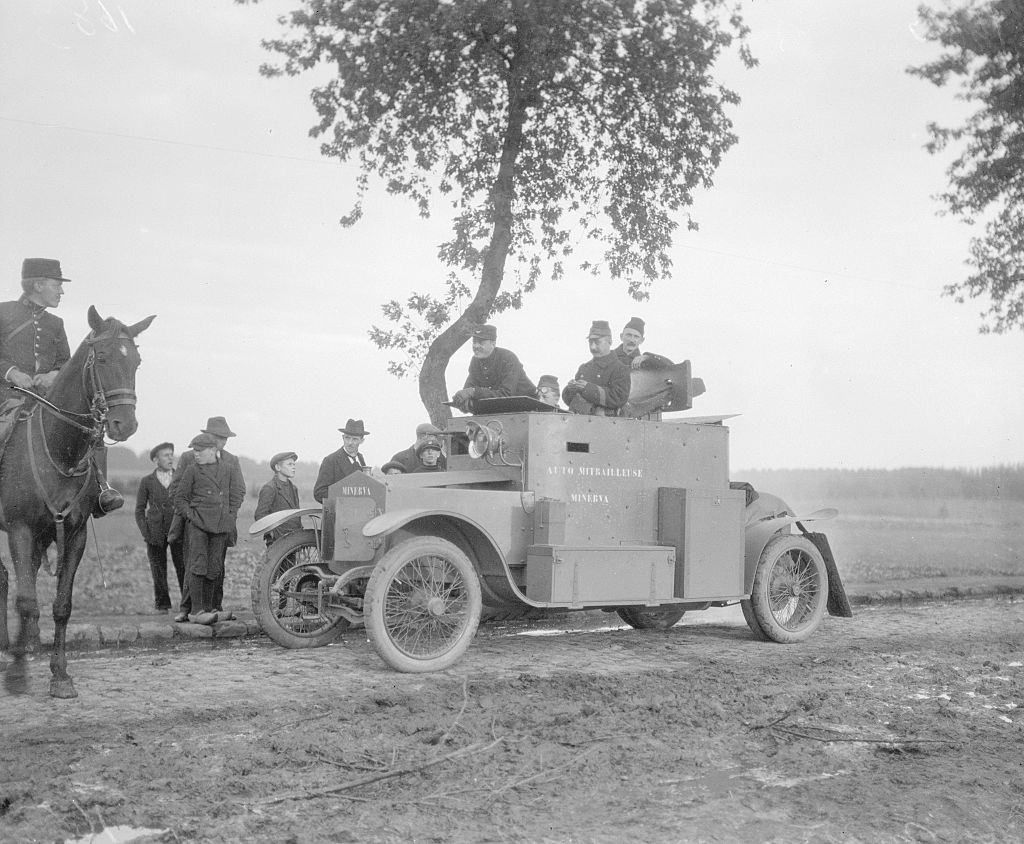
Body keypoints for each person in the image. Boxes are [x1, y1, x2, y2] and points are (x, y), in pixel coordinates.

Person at [170, 416, 245, 621]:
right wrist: (192, 516)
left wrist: (230, 516)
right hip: (194, 523)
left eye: (226, 438)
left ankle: (214, 608)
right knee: (194, 564)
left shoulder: (231, 461)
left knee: (216, 565)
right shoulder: (189, 458)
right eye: (219, 437)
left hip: (221, 523)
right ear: (208, 437)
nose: (223, 442)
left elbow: (238, 491)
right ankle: (189, 609)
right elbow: (176, 490)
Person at [134, 442, 185, 613]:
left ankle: (188, 605)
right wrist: (146, 532)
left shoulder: (181, 477)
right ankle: (162, 606)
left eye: (171, 454)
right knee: (158, 570)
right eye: (166, 455)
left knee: (183, 567)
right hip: (155, 533)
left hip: (178, 531)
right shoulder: (146, 481)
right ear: (156, 459)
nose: (170, 458)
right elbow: (139, 510)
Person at [450, 324, 535, 413]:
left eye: (481, 343)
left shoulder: (508, 358)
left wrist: (474, 392)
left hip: (528, 410)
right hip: (500, 410)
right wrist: (463, 401)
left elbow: (506, 395)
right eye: (474, 342)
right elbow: (468, 389)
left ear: (493, 344)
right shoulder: (475, 361)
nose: (476, 346)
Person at [562, 320, 631, 416]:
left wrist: (587, 388)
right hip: (578, 423)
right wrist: (570, 389)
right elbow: (570, 401)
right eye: (590, 342)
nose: (593, 347)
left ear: (610, 341)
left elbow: (618, 398)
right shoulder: (584, 368)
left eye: (597, 342)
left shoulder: (620, 369)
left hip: (605, 425)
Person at [314, 419, 370, 502]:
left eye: (355, 439)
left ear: (362, 441)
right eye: (347, 438)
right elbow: (319, 493)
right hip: (338, 513)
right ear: (343, 437)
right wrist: (344, 501)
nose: (350, 443)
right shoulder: (330, 460)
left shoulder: (361, 459)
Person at [254, 451, 302, 547]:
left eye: (294, 464)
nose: (293, 467)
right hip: (277, 540)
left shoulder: (294, 488)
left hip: (294, 539)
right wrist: (272, 533)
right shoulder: (269, 488)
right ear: (278, 467)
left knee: (293, 563)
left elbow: (296, 514)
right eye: (289, 464)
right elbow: (260, 515)